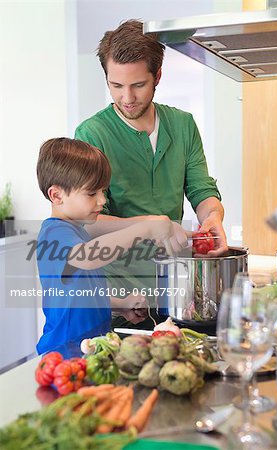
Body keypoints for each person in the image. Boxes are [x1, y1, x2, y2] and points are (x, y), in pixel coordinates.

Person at [75, 20, 227, 326]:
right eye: (116, 86)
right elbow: (86, 221)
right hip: (119, 298)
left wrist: (213, 217)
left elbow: (201, 189)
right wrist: (150, 224)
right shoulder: (92, 133)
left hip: (176, 291)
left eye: (138, 85)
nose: (127, 97)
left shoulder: (183, 125)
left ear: (157, 76)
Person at [35, 137, 178, 354]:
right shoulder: (55, 233)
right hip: (64, 351)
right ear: (57, 195)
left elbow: (81, 295)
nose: (102, 200)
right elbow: (88, 258)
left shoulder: (77, 231)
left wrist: (120, 304)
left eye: (103, 191)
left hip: (91, 346)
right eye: (92, 193)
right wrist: (145, 228)